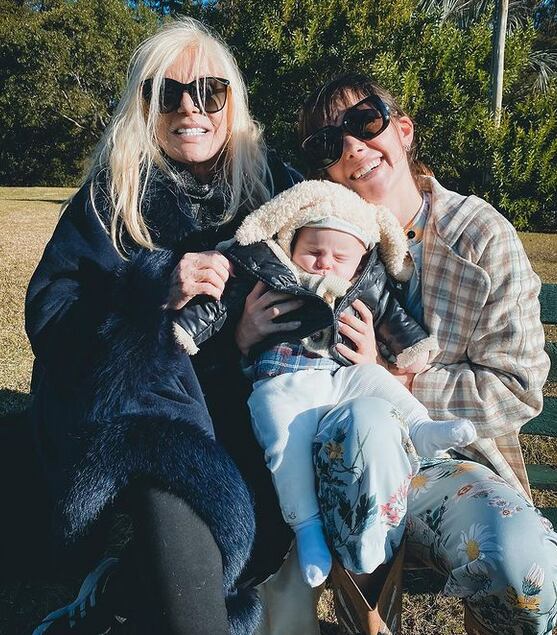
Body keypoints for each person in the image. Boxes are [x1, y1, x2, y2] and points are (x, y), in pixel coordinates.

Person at [235, 74, 557, 634]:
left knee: (525, 569)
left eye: (366, 123)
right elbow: (267, 365)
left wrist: (390, 380)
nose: (354, 147)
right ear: (322, 173)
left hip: (450, 464)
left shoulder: (480, 235)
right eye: (329, 144)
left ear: (403, 130)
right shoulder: (306, 244)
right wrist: (243, 339)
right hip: (329, 464)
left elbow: (517, 381)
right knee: (362, 424)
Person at [25, 17, 302, 635]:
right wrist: (149, 289)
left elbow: (323, 273)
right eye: (166, 92)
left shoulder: (272, 186)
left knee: (263, 514)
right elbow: (50, 314)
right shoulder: (113, 195)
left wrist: (247, 339)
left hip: (247, 399)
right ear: (143, 105)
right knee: (167, 464)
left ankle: (110, 601)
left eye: (209, 91)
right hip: (138, 403)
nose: (189, 108)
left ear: (232, 102)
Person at [172, 178, 477, 589]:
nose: (324, 263)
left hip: (342, 380)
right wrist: (192, 330)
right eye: (313, 251)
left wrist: (413, 347)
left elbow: (390, 315)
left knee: (375, 379)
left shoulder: (360, 286)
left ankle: (421, 430)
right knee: (283, 439)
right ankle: (308, 528)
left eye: (340, 256)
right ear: (289, 243)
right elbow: (220, 307)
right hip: (284, 384)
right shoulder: (270, 274)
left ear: (362, 259)